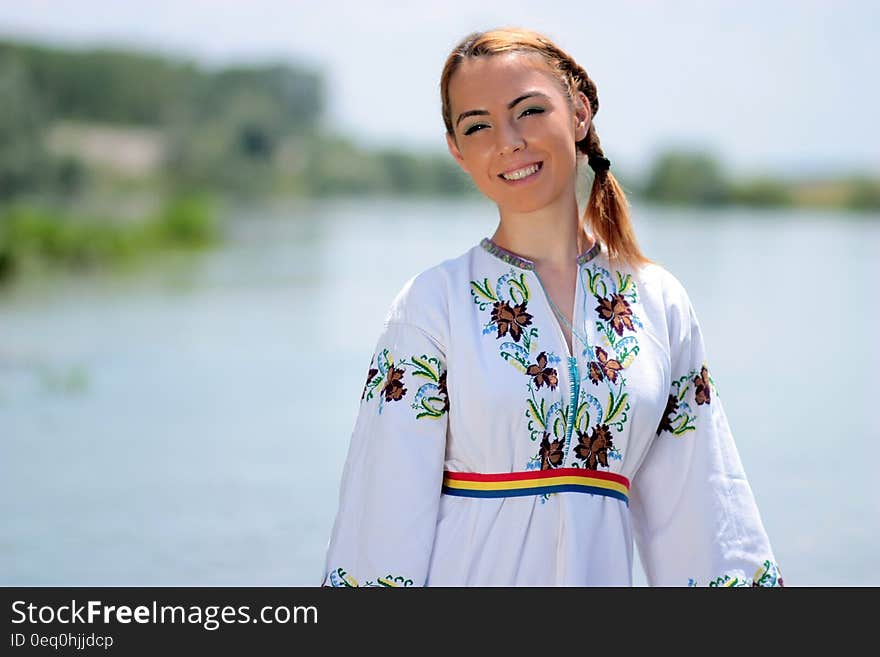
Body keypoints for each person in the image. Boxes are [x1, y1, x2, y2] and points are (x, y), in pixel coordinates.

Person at [321, 27, 782, 587]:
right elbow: (382, 521)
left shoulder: (658, 303)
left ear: (579, 114)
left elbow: (705, 514)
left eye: (529, 111)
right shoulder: (430, 306)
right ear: (457, 152)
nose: (508, 141)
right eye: (478, 126)